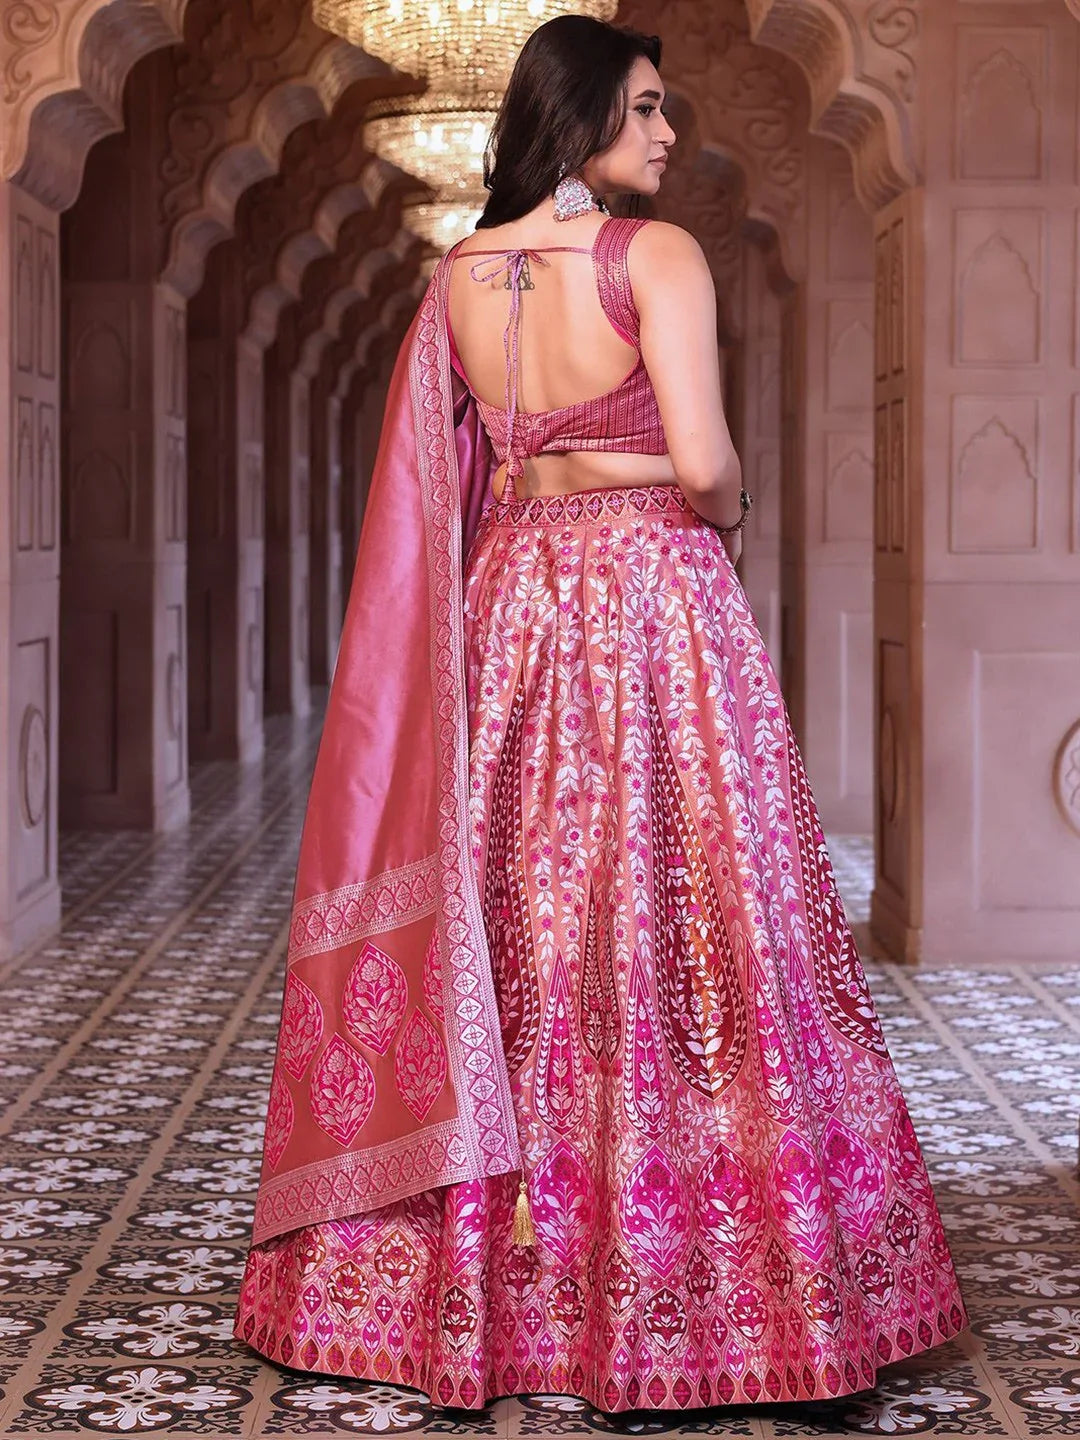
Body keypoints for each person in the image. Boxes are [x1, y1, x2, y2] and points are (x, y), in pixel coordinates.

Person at [232, 14, 967, 1415]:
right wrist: (727, 509)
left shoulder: (457, 276)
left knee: (515, 926)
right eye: (644, 110)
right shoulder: (656, 257)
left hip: (510, 603)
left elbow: (472, 471)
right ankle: (711, 1290)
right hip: (650, 606)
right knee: (693, 925)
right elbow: (704, 467)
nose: (668, 133)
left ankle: (493, 1285)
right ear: (577, 123)